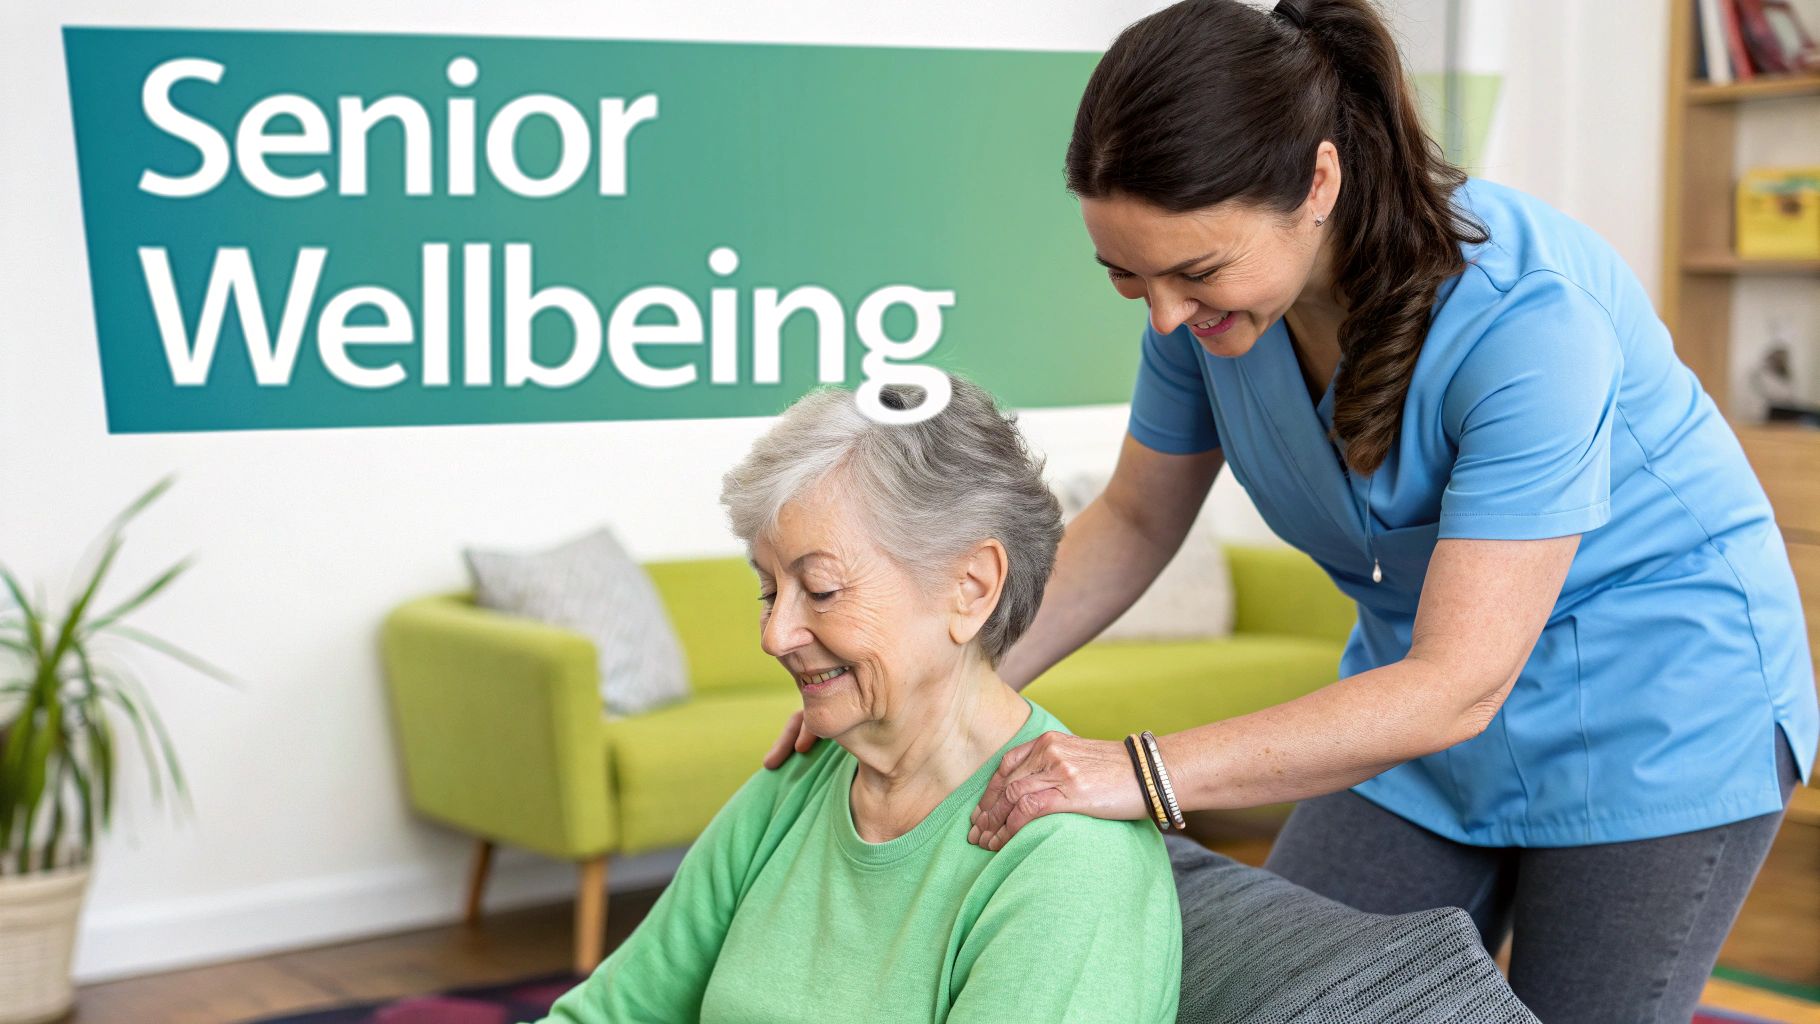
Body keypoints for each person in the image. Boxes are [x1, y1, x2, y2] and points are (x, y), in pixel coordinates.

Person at [765, 1, 1817, 1020]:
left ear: (1319, 180)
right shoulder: (1203, 320)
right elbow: (1133, 522)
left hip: (1654, 711)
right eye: (1128, 278)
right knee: (1275, 996)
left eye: (1194, 271)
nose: (1167, 314)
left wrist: (1137, 770)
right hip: (1412, 717)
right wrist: (923, 682)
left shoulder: (1527, 321)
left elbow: (1455, 682)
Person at [534, 378, 1180, 1024]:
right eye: (768, 591)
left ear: (971, 587)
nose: (774, 635)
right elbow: (609, 1014)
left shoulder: (1070, 866)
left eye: (820, 589)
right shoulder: (800, 779)